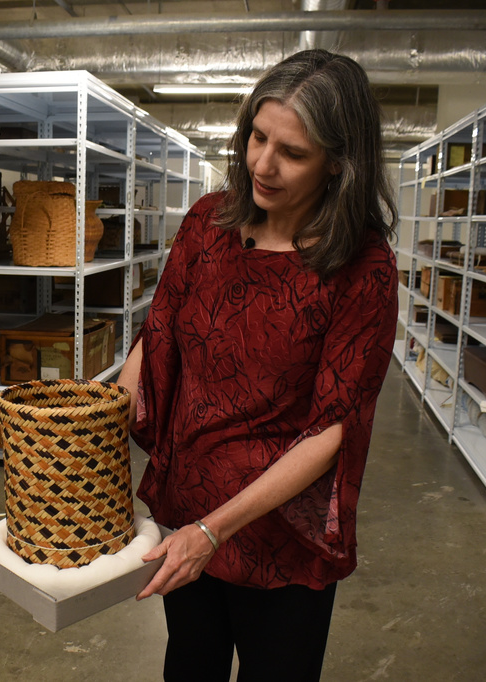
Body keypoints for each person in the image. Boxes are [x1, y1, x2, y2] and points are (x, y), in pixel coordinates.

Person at [117, 49, 399, 681]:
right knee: (191, 665)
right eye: (257, 138)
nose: (262, 165)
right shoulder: (206, 225)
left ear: (340, 164)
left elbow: (333, 429)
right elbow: (160, 334)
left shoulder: (362, 269)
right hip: (187, 503)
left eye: (293, 153)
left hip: (279, 534)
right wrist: (105, 411)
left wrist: (214, 532)